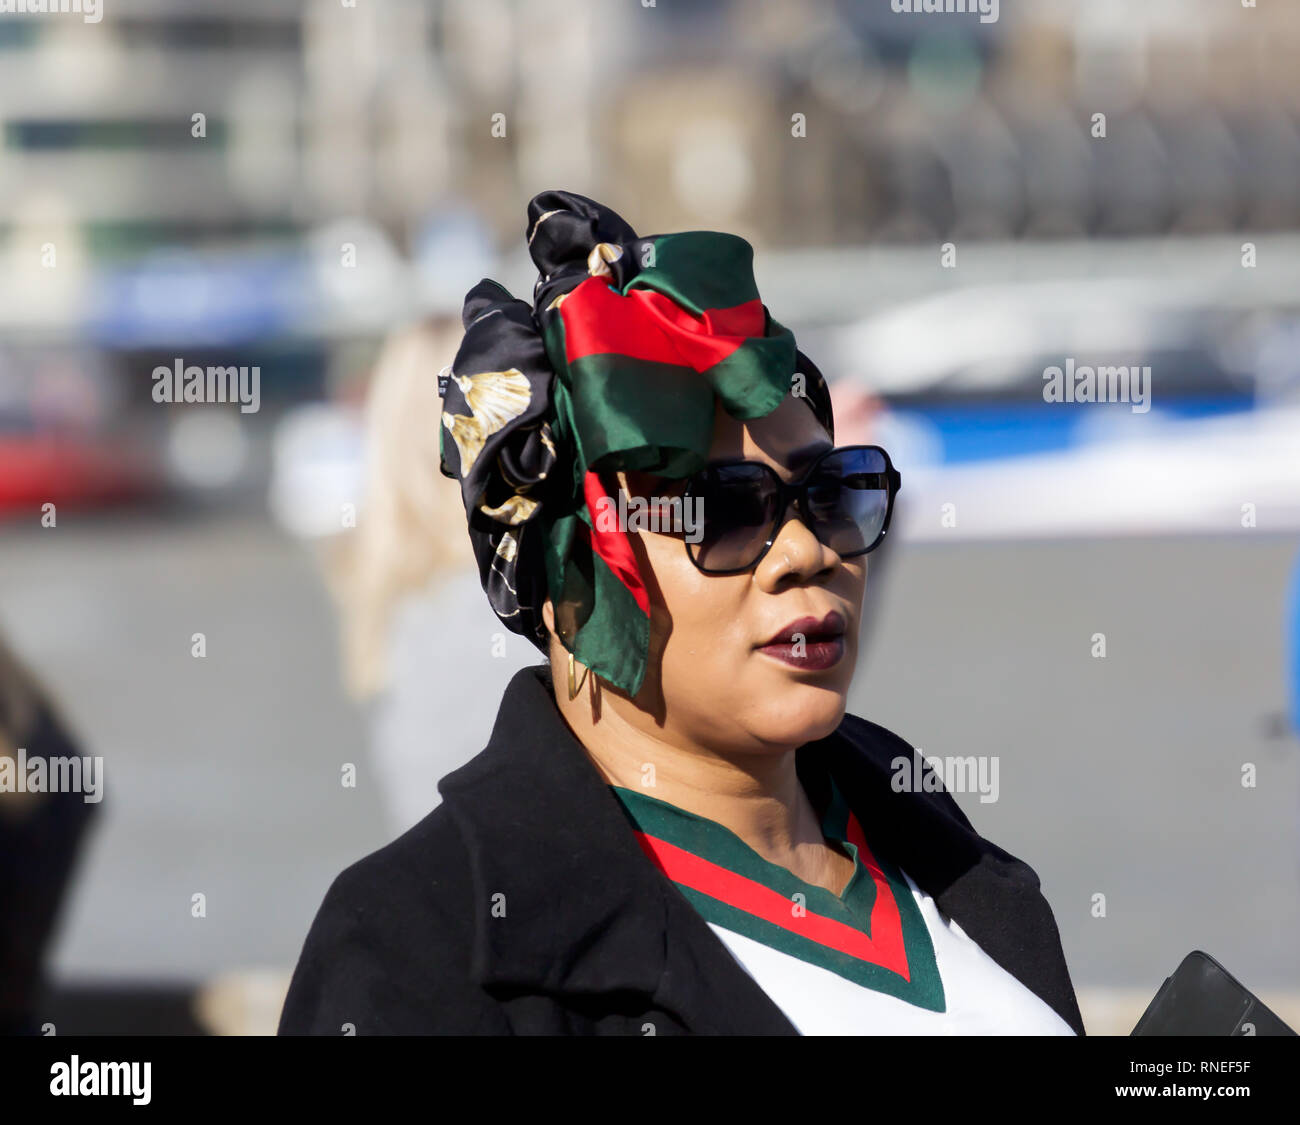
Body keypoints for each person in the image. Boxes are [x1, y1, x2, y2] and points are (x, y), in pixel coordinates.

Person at [278, 189, 1083, 1036]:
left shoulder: (941, 850)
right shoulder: (418, 952)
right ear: (568, 581)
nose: (807, 551)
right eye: (725, 510)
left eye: (831, 491)